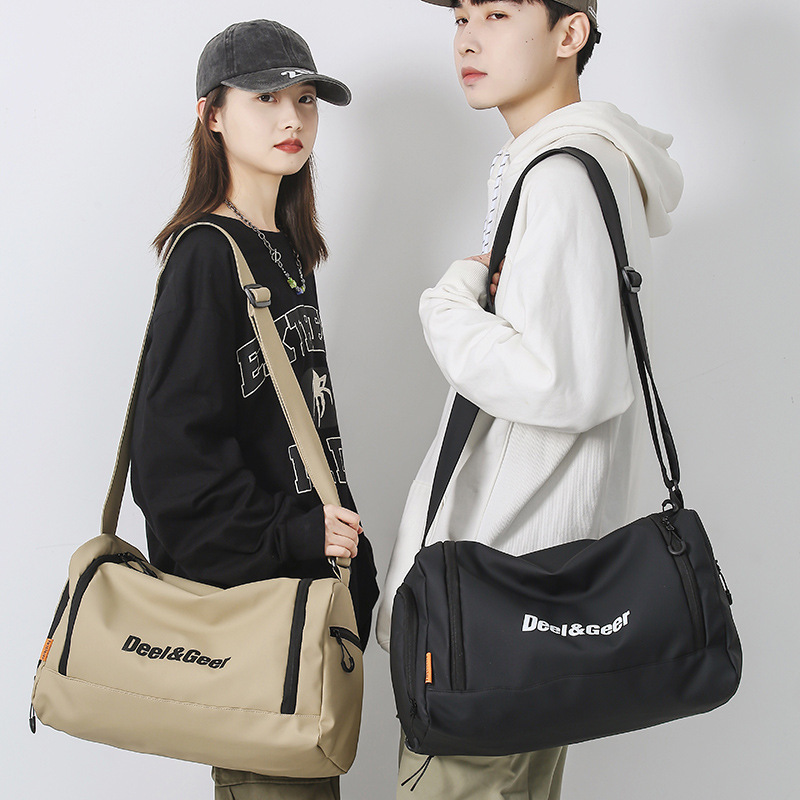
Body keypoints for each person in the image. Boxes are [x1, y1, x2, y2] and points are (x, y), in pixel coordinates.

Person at [376, 1, 683, 797]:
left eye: (498, 13)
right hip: (536, 594)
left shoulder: (560, 177)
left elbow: (565, 383)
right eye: (461, 18)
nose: (468, 39)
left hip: (495, 602)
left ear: (569, 34)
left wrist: (447, 303)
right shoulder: (581, 167)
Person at [129, 19, 379, 800]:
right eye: (264, 98)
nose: (291, 118)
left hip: (304, 622)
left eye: (304, 99)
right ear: (211, 114)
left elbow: (297, 434)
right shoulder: (208, 256)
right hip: (256, 631)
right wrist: (294, 535)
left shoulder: (285, 254)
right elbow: (171, 474)